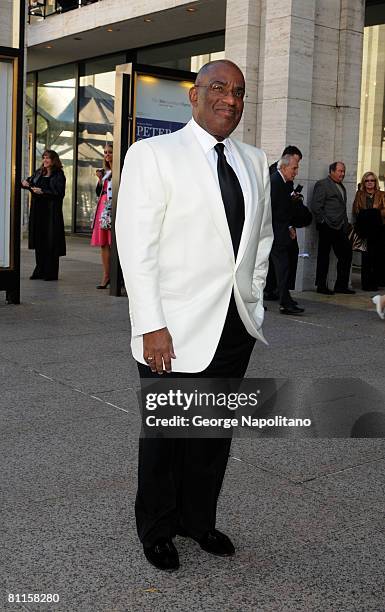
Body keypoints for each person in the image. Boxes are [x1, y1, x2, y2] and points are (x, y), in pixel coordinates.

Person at [115, 60, 273, 571]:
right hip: (172, 330)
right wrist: (151, 324)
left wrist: (253, 297)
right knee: (166, 435)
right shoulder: (153, 154)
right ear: (195, 94)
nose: (230, 99)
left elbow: (262, 241)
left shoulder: (254, 160)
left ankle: (197, 520)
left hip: (234, 326)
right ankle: (157, 528)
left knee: (212, 434)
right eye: (219, 88)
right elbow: (136, 246)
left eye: (239, 92)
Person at [311, 161, 355, 295]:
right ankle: (321, 285)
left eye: (343, 171)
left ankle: (341, 285)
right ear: (332, 171)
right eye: (340, 171)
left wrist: (346, 225)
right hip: (327, 226)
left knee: (346, 253)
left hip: (340, 227)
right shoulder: (323, 184)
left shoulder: (341, 186)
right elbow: (316, 206)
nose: (342, 174)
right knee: (324, 255)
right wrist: (323, 221)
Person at [265, 146, 303, 301]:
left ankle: (283, 298)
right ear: (284, 165)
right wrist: (287, 226)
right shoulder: (275, 180)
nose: (296, 172)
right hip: (276, 231)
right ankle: (283, 299)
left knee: (283, 266)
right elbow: (273, 209)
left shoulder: (284, 181)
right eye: (294, 167)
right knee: (281, 266)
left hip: (281, 229)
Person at [22, 149, 66, 281]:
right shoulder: (39, 172)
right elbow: (30, 182)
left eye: (48, 158)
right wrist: (25, 184)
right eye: (44, 157)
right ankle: (39, 270)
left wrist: (43, 192)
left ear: (54, 160)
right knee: (39, 240)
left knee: (51, 241)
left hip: (51, 213)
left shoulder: (59, 175)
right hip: (38, 211)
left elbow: (59, 193)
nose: (45, 160)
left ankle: (50, 273)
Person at [352, 171, 385, 291]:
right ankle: (366, 284)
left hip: (379, 229)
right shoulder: (359, 194)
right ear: (363, 182)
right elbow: (356, 210)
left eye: (372, 180)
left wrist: (372, 214)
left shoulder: (382, 194)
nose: (370, 183)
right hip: (365, 230)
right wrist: (368, 215)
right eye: (367, 180)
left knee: (377, 257)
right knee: (366, 258)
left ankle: (375, 283)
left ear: (375, 182)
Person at [91, 143, 113, 289]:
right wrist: (100, 180)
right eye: (105, 152)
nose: (107, 155)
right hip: (103, 207)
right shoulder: (104, 172)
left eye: (110, 152)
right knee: (104, 243)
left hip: (113, 206)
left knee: (114, 243)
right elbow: (98, 192)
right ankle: (106, 275)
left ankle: (117, 275)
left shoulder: (120, 169)